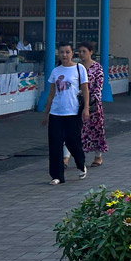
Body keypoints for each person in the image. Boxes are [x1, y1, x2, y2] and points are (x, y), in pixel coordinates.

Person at [41, 41, 88, 185]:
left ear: (72, 53)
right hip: (56, 113)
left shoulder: (79, 69)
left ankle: (81, 164)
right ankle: (57, 176)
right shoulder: (56, 71)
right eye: (61, 52)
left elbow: (85, 90)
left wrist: (86, 108)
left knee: (73, 141)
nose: (64, 55)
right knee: (55, 144)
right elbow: (51, 94)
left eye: (67, 52)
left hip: (73, 112)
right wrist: (46, 113)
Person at [75, 41, 108, 167]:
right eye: (79, 52)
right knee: (74, 130)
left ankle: (98, 156)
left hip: (93, 103)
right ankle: (67, 157)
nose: (81, 54)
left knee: (96, 129)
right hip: (77, 102)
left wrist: (90, 101)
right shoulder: (76, 67)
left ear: (91, 52)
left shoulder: (97, 68)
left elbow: (98, 87)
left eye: (84, 51)